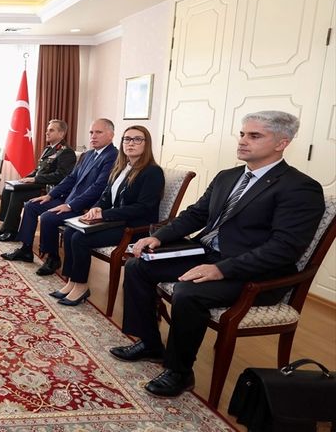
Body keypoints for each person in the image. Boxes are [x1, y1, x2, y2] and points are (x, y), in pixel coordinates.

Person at [111, 111, 324, 398]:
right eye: (242, 134)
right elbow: (195, 215)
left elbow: (284, 248)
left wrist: (222, 269)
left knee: (188, 292)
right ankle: (149, 343)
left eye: (254, 136)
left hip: (252, 271)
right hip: (207, 252)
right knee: (138, 266)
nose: (243, 141)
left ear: (281, 143)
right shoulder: (228, 176)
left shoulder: (300, 188)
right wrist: (158, 237)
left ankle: (179, 372)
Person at [52, 125, 164, 306]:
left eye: (137, 139)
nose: (131, 143)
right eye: (127, 139)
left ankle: (81, 286)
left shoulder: (152, 172)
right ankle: (72, 281)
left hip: (134, 227)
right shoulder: (121, 167)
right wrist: (96, 209)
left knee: (80, 239)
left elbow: (142, 208)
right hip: (115, 221)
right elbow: (105, 196)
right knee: (70, 232)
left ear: (147, 144)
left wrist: (104, 214)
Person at [2, 119, 117, 275]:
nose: (93, 136)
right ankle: (26, 249)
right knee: (31, 205)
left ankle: (53, 258)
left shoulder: (113, 156)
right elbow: (71, 178)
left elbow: (98, 188)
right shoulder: (88, 154)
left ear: (111, 135)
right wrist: (50, 196)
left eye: (98, 132)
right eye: (91, 132)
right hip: (69, 198)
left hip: (85, 207)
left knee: (48, 218)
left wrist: (70, 206)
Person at [0, 120, 76, 241]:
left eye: (51, 130)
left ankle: (11, 232)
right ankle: (5, 226)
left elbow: (61, 176)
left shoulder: (66, 152)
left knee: (17, 194)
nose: (47, 133)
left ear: (61, 134)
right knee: (8, 189)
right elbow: (38, 169)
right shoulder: (48, 149)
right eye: (47, 130)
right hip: (38, 183)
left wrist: (35, 179)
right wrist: (26, 178)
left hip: (48, 189)